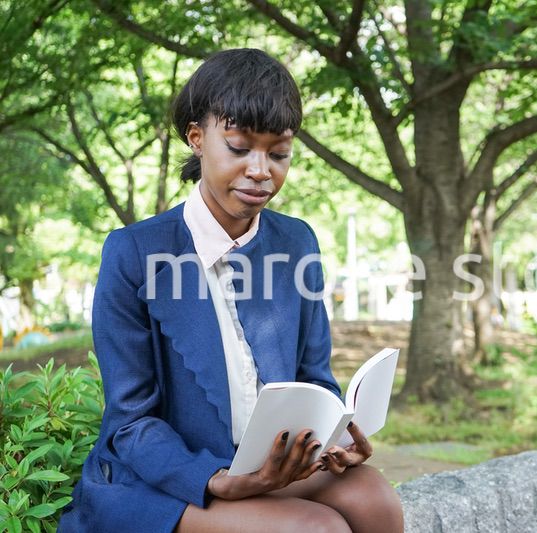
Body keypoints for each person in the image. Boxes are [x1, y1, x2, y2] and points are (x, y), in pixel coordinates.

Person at [58, 49, 403, 533]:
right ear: (196, 138)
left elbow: (315, 380)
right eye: (240, 148)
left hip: (270, 466)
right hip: (166, 479)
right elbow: (131, 423)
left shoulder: (296, 242)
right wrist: (217, 479)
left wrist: (334, 437)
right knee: (315, 529)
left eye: (279, 153)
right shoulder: (134, 252)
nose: (261, 170)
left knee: (375, 500)